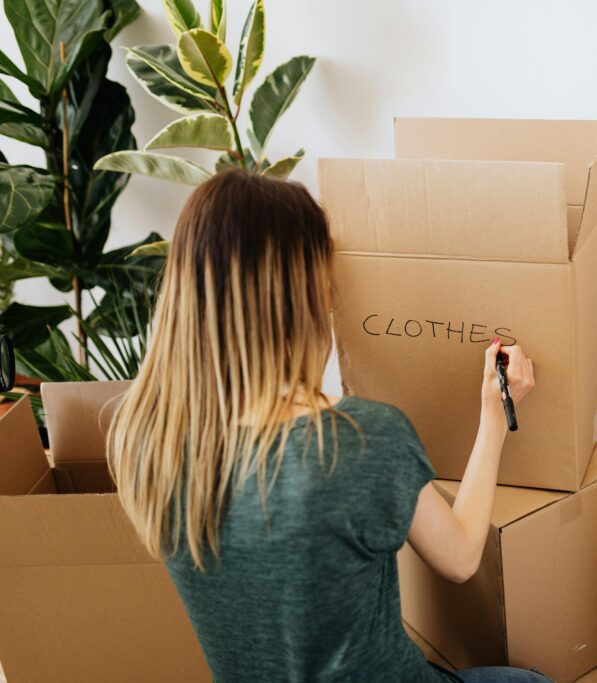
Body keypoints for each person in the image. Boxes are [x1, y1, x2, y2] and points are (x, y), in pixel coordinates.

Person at [107, 169, 547, 682]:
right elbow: (462, 557)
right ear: (303, 296)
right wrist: (495, 414)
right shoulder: (358, 439)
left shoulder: (144, 437)